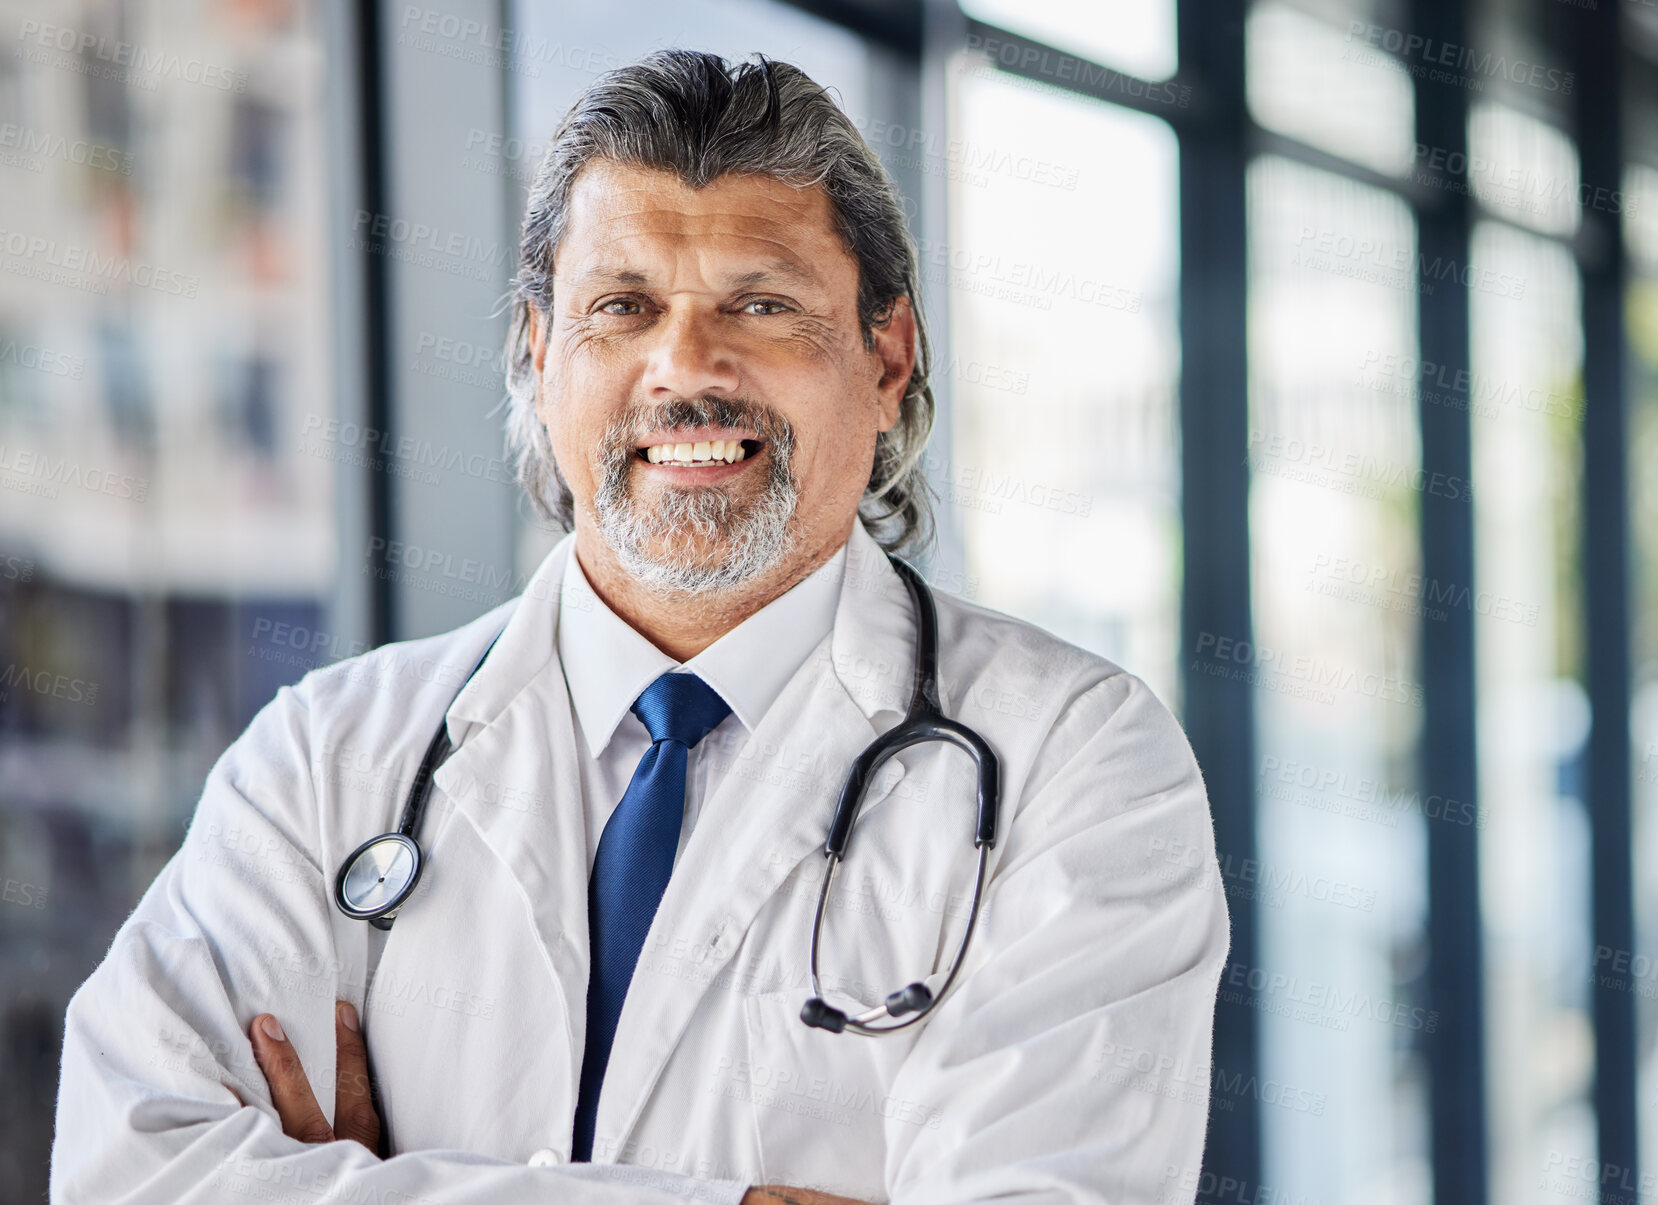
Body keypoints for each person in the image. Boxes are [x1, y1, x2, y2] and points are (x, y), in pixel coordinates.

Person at [51, 49, 1228, 1205]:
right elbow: (128, 1170)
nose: (684, 367)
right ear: (537, 350)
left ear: (887, 354)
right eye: (622, 306)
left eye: (760, 304)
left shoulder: (1075, 762)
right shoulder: (327, 758)